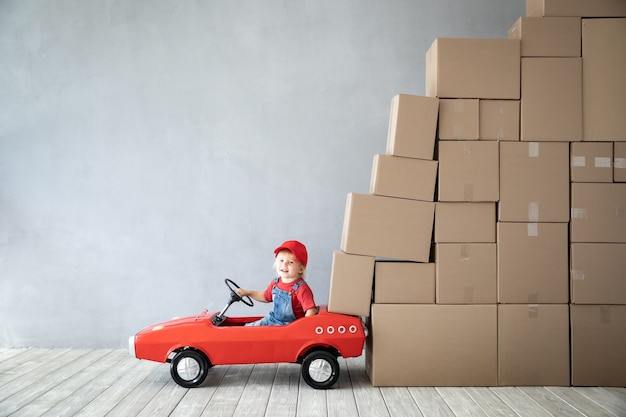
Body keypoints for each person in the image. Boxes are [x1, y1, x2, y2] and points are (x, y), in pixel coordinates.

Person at [237, 240, 317, 326]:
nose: (284, 264)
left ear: (300, 269)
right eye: (281, 260)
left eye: (291, 262)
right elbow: (265, 296)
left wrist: (302, 327)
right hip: (273, 319)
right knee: (248, 329)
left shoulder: (301, 288)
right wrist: (247, 292)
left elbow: (311, 310)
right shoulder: (276, 282)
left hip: (290, 326)